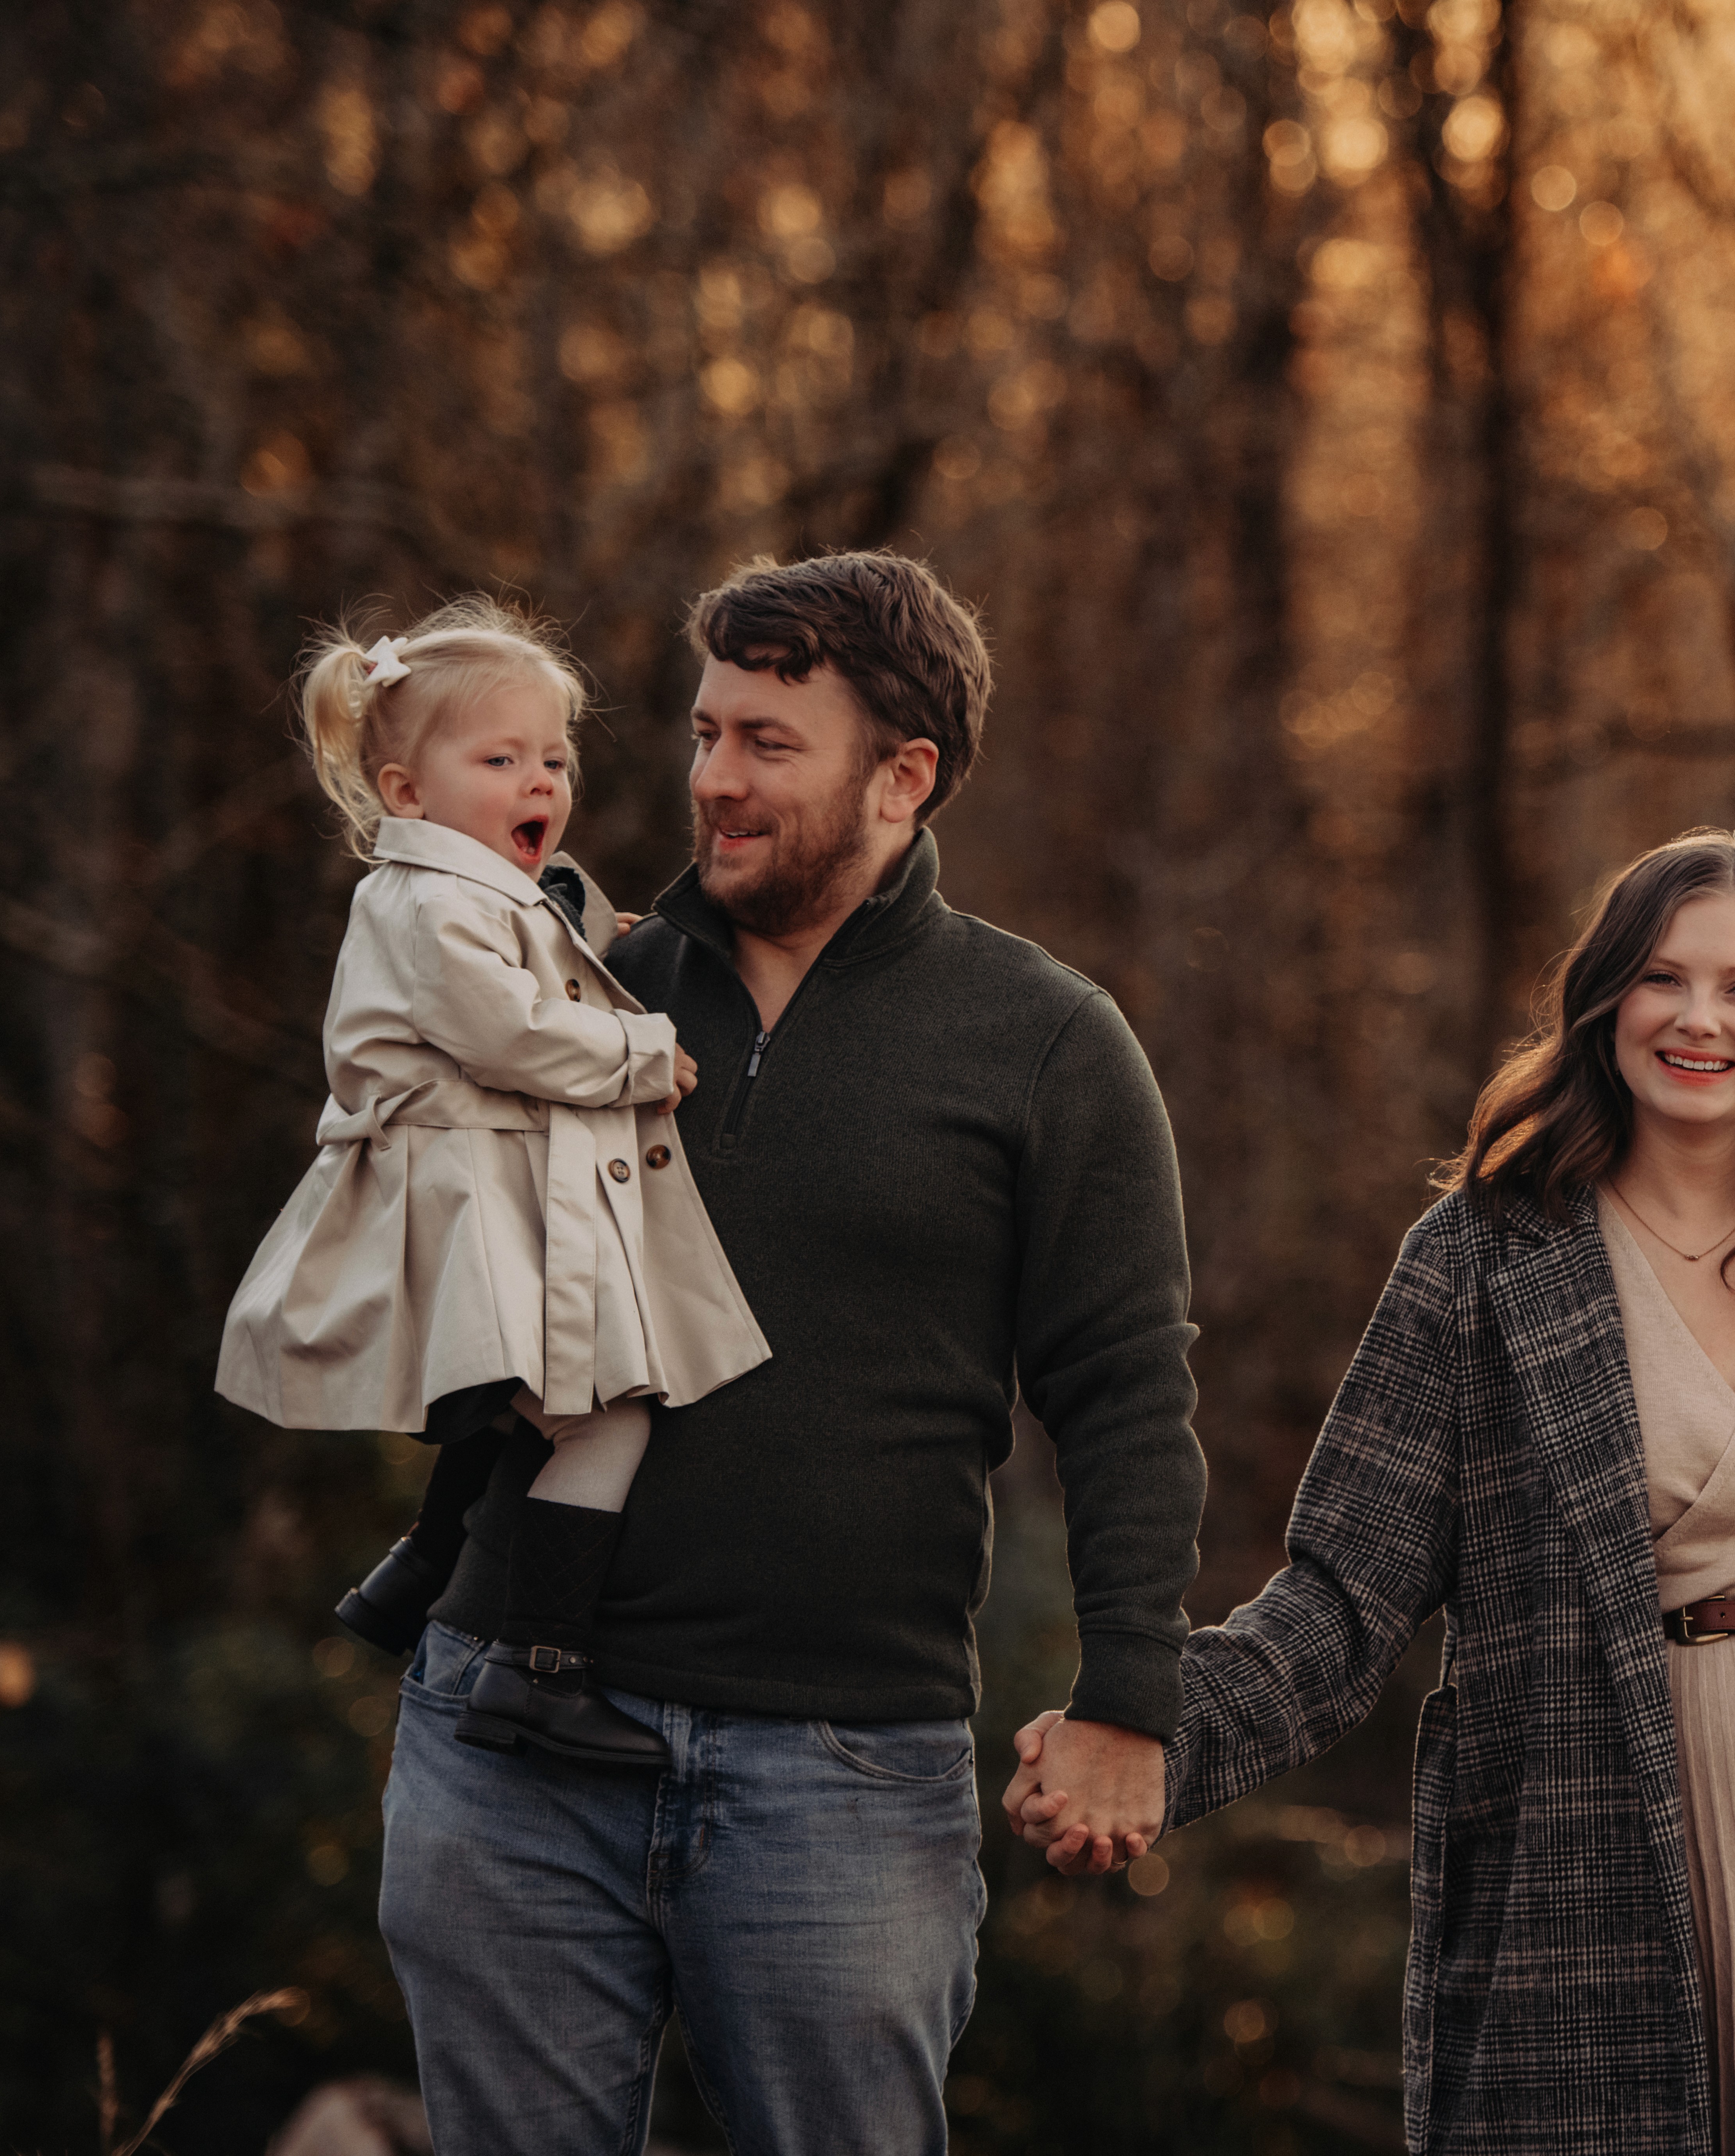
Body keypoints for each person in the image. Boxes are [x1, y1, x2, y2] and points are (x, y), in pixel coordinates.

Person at [1008, 830, 1735, 2155]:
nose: (1699, 1019)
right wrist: (1144, 1732)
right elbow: (1344, 1596)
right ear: (1604, 1003)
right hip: (1621, 1823)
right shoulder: (1484, 1255)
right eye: (1659, 979)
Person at [376, 550, 1207, 2155]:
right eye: (704, 734)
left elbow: (1125, 1389)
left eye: (768, 742)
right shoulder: (573, 975)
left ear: (904, 775)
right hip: (510, 1741)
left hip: (836, 1768)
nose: (713, 781)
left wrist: (1131, 1695)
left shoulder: (1042, 1037)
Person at [217, 598, 770, 1770]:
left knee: (517, 1384)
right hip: (457, 1189)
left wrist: (589, 936)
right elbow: (505, 1032)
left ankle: (416, 1568)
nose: (543, 782)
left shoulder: (475, 895)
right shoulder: (428, 900)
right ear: (409, 792)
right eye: (503, 759)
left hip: (484, 1185)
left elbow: (524, 974)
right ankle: (540, 1668)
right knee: (607, 1414)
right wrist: (636, 1055)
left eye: (555, 758)